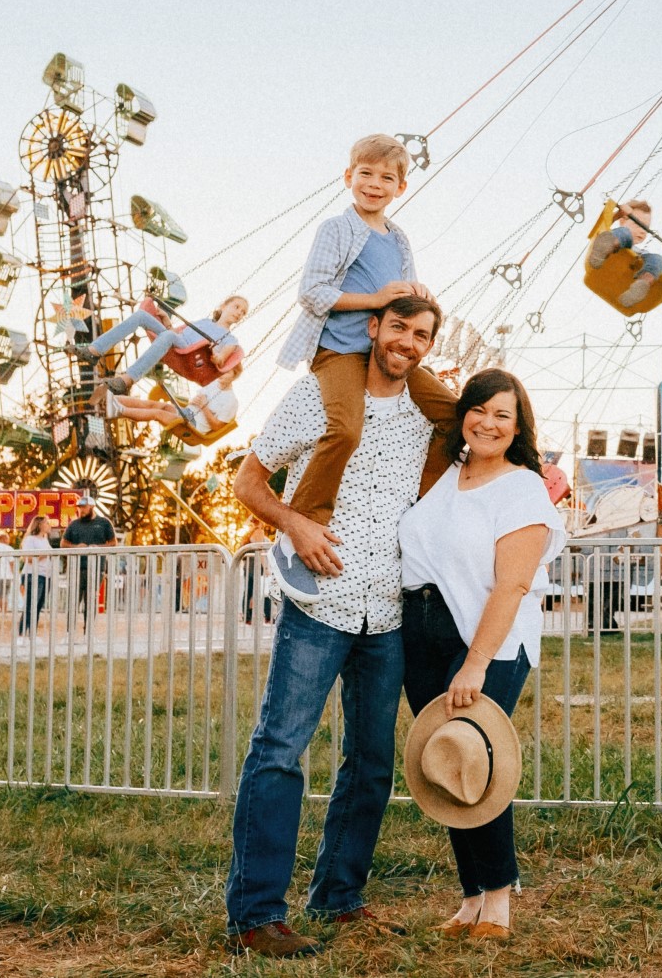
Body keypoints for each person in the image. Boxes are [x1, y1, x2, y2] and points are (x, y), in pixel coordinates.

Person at [226, 293, 444, 958]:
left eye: (423, 334)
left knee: (371, 762)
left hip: (388, 608)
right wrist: (294, 521)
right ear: (373, 328)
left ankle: (339, 895)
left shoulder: (427, 415)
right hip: (320, 601)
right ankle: (256, 913)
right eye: (399, 327)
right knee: (280, 749)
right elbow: (248, 479)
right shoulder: (320, 394)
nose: (409, 341)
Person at [397, 367, 566, 940]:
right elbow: (418, 387)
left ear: (518, 427)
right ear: (463, 413)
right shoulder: (447, 471)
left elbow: (511, 585)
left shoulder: (522, 488)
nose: (488, 423)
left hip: (485, 643)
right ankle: (470, 897)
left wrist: (476, 664)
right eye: (479, 409)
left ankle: (498, 899)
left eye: (503, 415)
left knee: (481, 760)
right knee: (451, 763)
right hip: (420, 634)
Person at [276, 134, 457, 534]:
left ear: (401, 187)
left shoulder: (399, 239)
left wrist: (419, 294)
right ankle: (304, 524)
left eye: (386, 178)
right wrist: (374, 298)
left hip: (388, 353)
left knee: (455, 414)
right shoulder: (336, 229)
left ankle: (423, 504)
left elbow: (403, 303)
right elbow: (311, 292)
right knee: (344, 429)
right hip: (341, 351)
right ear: (348, 176)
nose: (375, 184)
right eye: (366, 173)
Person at [82, 294, 248, 394]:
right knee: (141, 316)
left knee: (168, 336)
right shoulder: (205, 321)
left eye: (243, 312)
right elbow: (177, 333)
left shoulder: (230, 340)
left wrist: (213, 356)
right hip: (178, 343)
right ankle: (94, 351)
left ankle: (127, 380)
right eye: (237, 307)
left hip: (193, 358)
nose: (239, 313)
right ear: (224, 305)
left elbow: (220, 360)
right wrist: (166, 320)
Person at [583, 199, 662, 309]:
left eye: (646, 228)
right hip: (608, 258)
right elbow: (604, 224)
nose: (643, 231)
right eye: (638, 224)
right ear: (623, 221)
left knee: (656, 259)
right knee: (624, 234)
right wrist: (619, 214)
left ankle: (642, 284)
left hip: (626, 280)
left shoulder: (641, 254)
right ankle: (602, 251)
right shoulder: (618, 233)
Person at [102, 364, 242, 438]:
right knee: (155, 405)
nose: (222, 374)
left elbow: (217, 426)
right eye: (222, 370)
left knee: (157, 413)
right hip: (186, 412)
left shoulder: (231, 401)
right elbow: (196, 402)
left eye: (227, 372)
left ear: (234, 375)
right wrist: (194, 402)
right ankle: (113, 399)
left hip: (193, 427)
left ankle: (119, 410)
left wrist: (203, 407)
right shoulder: (212, 383)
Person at [60, 492, 116, 631]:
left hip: (96, 568)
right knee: (74, 600)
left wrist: (97, 548)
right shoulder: (74, 525)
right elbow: (63, 543)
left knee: (91, 600)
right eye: (79, 507)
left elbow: (113, 543)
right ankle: (70, 632)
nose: (81, 510)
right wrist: (76, 547)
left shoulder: (104, 523)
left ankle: (88, 631)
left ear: (92, 507)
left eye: (84, 507)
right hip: (76, 568)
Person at [17, 515, 53, 637]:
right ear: (39, 525)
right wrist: (45, 554)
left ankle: (31, 634)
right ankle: (22, 634)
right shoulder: (30, 539)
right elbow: (29, 558)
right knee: (30, 605)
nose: (49, 525)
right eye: (47, 523)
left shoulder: (45, 539)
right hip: (33, 575)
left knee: (37, 606)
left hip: (45, 575)